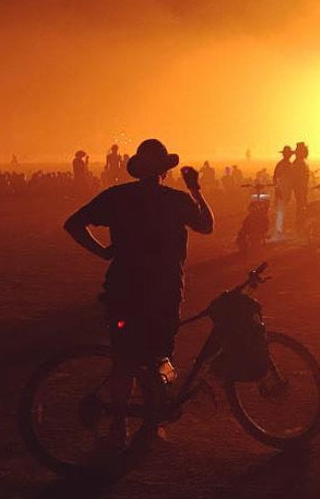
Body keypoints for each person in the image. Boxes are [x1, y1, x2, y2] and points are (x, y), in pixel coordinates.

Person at [63, 138, 213, 451]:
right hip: (164, 290)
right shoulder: (175, 199)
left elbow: (74, 224)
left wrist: (103, 251)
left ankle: (120, 427)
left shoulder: (118, 196)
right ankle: (154, 421)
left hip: (123, 287)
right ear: (164, 171)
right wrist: (196, 189)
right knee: (158, 355)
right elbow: (207, 226)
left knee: (123, 357)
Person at [271, 145, 295, 238]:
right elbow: (275, 177)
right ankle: (278, 231)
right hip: (281, 190)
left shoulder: (289, 164)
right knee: (280, 210)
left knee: (283, 210)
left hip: (286, 190)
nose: (288, 156)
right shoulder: (281, 165)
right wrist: (277, 189)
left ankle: (281, 230)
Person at [291, 142, 312, 229]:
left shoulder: (301, 162)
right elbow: (298, 178)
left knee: (301, 207)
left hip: (302, 188)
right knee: (301, 207)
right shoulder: (298, 163)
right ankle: (299, 226)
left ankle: (300, 226)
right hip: (300, 189)